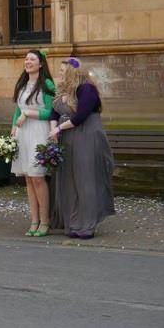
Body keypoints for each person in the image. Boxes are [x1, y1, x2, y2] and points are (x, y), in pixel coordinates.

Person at [48, 58, 115, 239]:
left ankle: (87, 224)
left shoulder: (87, 89)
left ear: (72, 72)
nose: (60, 73)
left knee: (86, 180)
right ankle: (74, 222)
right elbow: (53, 111)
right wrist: (53, 130)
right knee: (70, 181)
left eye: (63, 71)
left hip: (86, 137)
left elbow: (81, 116)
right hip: (68, 139)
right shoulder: (63, 91)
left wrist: (59, 128)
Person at [10, 50, 55, 237]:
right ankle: (34, 219)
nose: (28, 61)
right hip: (23, 133)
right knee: (28, 177)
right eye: (26, 59)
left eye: (32, 59)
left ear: (41, 64)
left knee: (37, 176)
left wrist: (28, 113)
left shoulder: (46, 84)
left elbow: (50, 112)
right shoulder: (22, 84)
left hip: (39, 131)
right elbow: (18, 109)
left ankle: (45, 221)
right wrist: (13, 128)